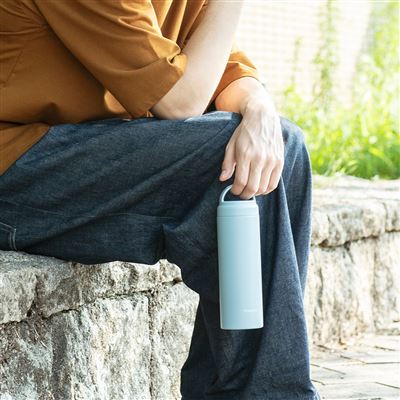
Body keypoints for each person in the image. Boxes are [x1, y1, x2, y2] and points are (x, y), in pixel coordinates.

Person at [0, 0, 321, 399]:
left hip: (77, 152)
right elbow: (179, 101)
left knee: (279, 147)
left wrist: (259, 109)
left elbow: (222, 67)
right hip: (15, 170)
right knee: (228, 157)